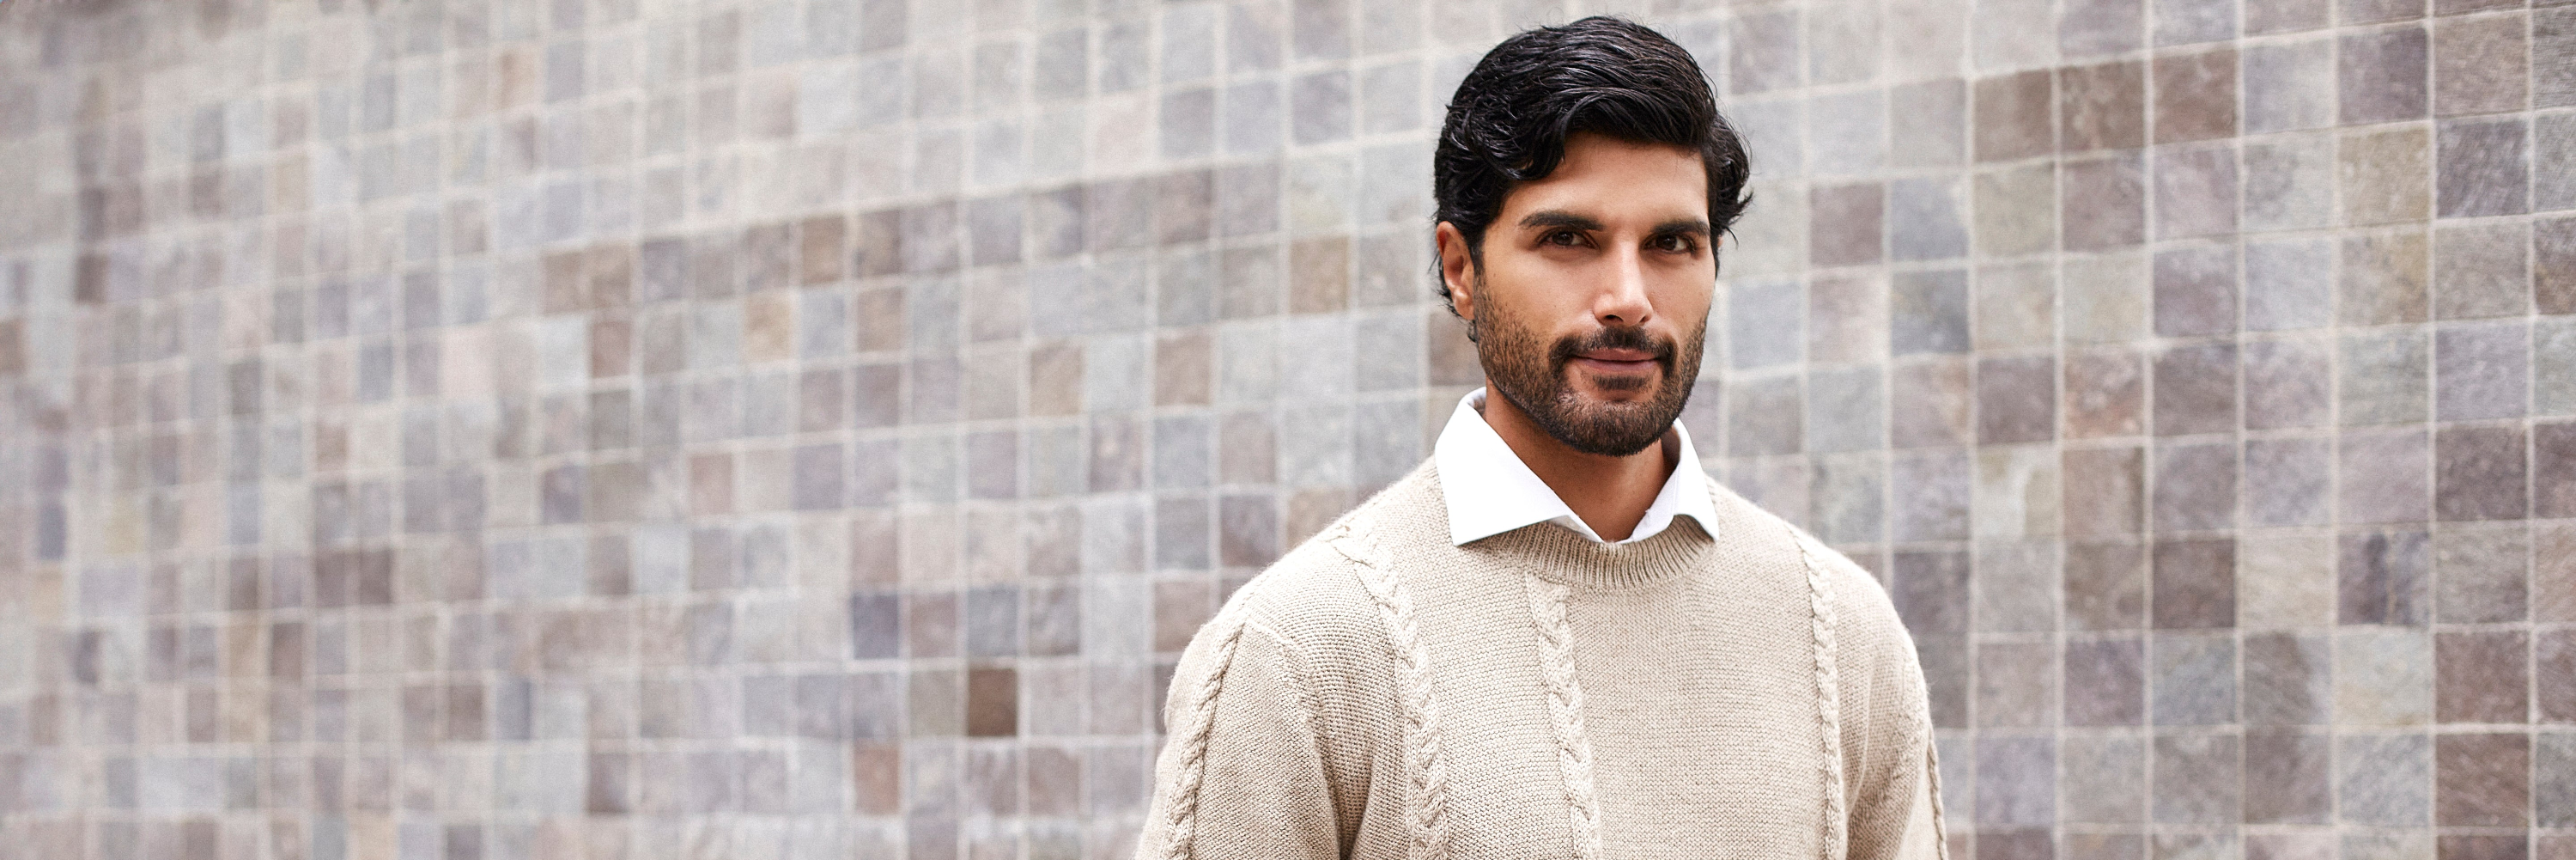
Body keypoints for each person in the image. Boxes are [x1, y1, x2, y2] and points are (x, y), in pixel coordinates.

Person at [1134, 16, 1945, 860]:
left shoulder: (1843, 635)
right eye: (1567, 239)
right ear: (1461, 269)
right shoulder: (1294, 650)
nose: (1628, 297)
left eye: (1671, 243)